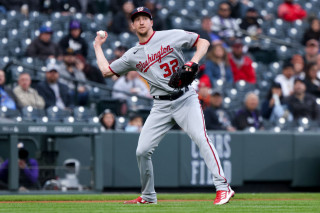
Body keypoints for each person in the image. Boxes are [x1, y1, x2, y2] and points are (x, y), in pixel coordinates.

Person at [94, 7, 234, 205]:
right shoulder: (133, 54)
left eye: (145, 18)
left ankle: (223, 187)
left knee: (201, 139)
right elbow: (106, 71)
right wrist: (97, 46)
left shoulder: (171, 35)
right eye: (137, 19)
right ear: (132, 25)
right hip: (160, 105)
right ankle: (149, 196)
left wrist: (194, 61)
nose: (141, 22)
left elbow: (203, 41)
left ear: (152, 22)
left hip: (184, 98)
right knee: (142, 151)